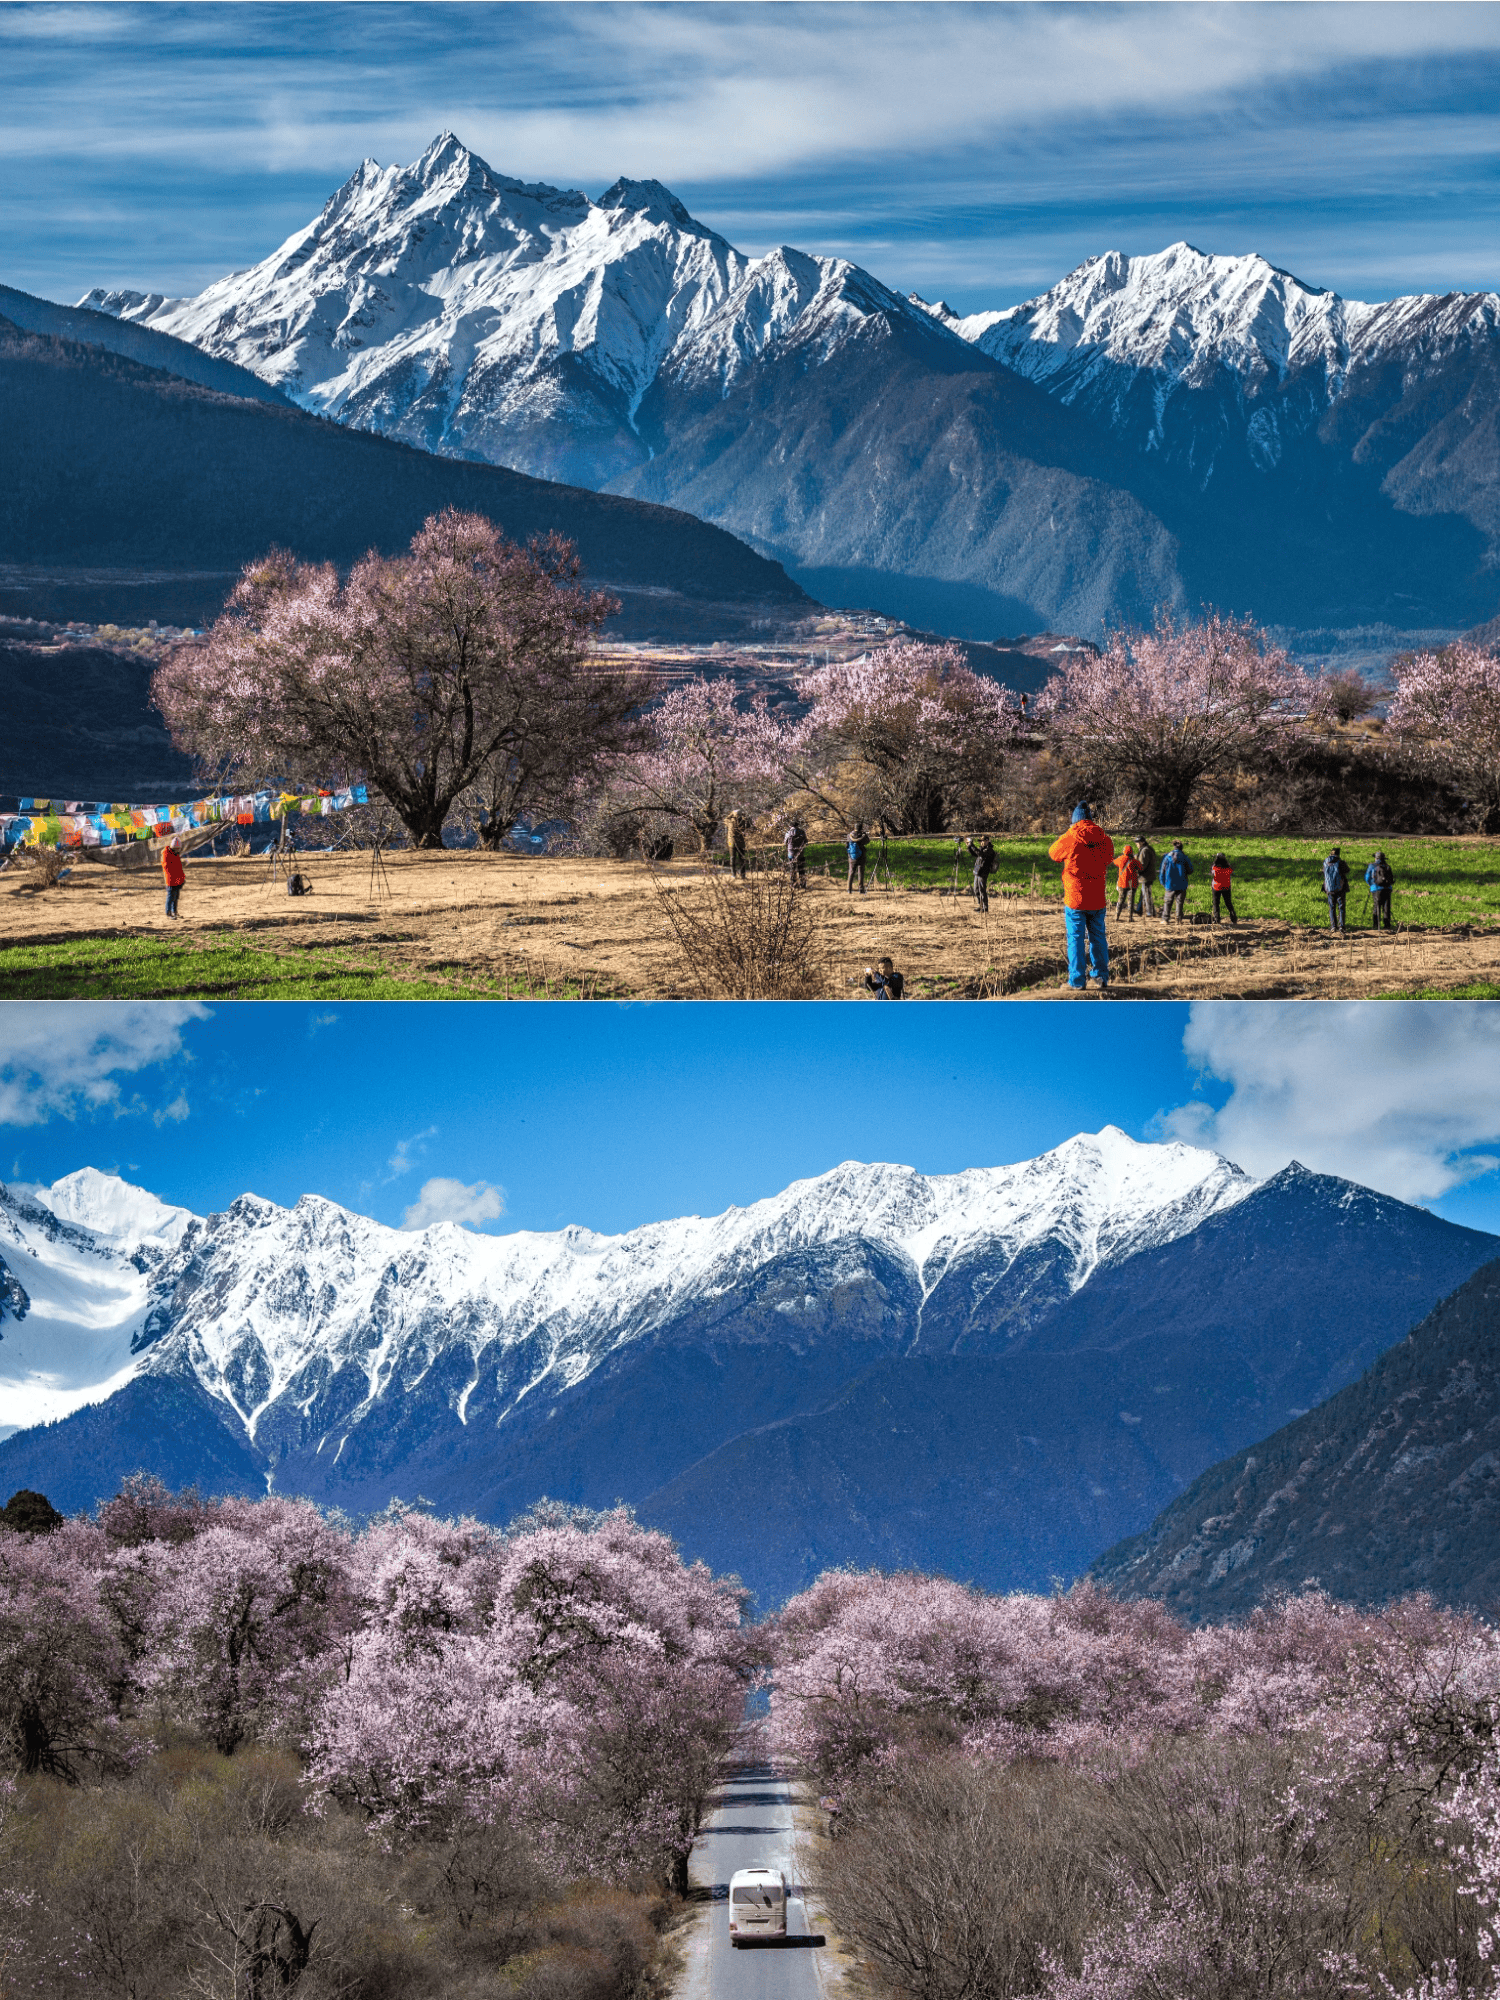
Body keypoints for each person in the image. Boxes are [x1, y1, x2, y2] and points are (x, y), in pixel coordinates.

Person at [1047, 801, 1115, 993]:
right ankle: (1101, 975)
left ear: (1074, 821)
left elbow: (1053, 852)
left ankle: (1077, 980)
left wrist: (1069, 833)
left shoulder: (1070, 838)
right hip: (1097, 898)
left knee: (1075, 938)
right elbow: (1109, 857)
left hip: (1075, 898)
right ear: (1091, 820)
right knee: (1098, 937)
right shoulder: (1104, 839)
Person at [1159, 840, 1192, 922]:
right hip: (1182, 883)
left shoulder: (1167, 857)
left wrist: (1163, 881)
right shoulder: (1184, 858)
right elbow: (1190, 870)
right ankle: (1178, 918)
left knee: (1168, 902)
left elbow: (1162, 871)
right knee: (1179, 902)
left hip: (1169, 883)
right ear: (1181, 848)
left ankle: (1166, 919)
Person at [1365, 849, 1395, 929]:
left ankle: (1376, 926)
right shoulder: (1387, 866)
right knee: (1386, 907)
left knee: (1377, 906)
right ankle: (1387, 925)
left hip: (1376, 888)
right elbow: (1391, 879)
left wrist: (1371, 884)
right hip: (1387, 888)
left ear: (1376, 858)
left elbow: (1367, 877)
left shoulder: (1372, 866)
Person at [967, 832, 997, 913]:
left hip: (983, 872)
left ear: (987, 841)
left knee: (982, 890)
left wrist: (972, 845)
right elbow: (975, 854)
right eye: (980, 841)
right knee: (976, 889)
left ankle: (985, 907)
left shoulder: (989, 850)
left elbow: (981, 855)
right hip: (977, 871)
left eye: (982, 841)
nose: (981, 842)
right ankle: (980, 906)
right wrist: (969, 847)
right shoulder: (982, 849)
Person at [1323, 846, 1349, 932]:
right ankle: (1341, 926)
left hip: (1329, 887)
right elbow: (1347, 870)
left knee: (1332, 907)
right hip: (1340, 887)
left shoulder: (1325, 862)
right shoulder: (1340, 862)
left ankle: (1333, 926)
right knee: (1341, 907)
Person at [1210, 851, 1238, 925]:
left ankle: (1217, 919)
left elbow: (1212, 872)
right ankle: (1233, 918)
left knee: (1216, 903)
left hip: (1216, 887)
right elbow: (1231, 871)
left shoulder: (1215, 868)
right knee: (1228, 903)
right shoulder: (1228, 868)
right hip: (1226, 887)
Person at [1114, 842, 1140, 920]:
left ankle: (1117, 916)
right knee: (1130, 901)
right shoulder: (1134, 861)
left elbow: (1114, 862)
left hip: (1122, 883)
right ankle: (1130, 917)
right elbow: (1140, 867)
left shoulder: (1120, 859)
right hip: (1132, 884)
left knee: (1120, 900)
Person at [161, 836, 185, 918]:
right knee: (170, 897)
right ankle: (168, 912)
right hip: (171, 880)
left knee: (176, 897)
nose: (179, 850)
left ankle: (174, 911)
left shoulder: (176, 855)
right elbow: (168, 867)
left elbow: (178, 868)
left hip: (177, 879)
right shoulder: (166, 854)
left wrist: (182, 878)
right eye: (178, 848)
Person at [1135, 834, 1158, 917]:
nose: (1136, 844)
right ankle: (1139, 909)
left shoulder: (1145, 850)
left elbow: (1142, 865)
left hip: (1146, 876)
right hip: (1148, 875)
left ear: (1142, 842)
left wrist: (1136, 871)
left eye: (1138, 842)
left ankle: (1150, 912)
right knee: (1143, 893)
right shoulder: (1148, 849)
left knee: (1147, 894)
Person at [846, 822, 869, 894]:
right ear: (861, 828)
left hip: (852, 857)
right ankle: (861, 889)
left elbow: (847, 844)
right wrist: (865, 835)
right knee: (860, 873)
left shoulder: (849, 835)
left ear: (854, 827)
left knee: (851, 872)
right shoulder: (862, 835)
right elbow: (868, 841)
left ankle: (849, 889)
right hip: (861, 856)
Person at [785, 820, 808, 887]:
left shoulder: (788, 833)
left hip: (791, 853)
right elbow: (806, 841)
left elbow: (785, 842)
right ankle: (803, 884)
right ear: (797, 825)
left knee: (792, 869)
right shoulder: (802, 832)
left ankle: (793, 884)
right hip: (800, 853)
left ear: (790, 826)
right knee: (801, 869)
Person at [726, 811, 748, 881]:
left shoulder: (729, 822)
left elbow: (725, 819)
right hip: (740, 843)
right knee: (742, 858)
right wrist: (745, 816)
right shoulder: (743, 821)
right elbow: (749, 824)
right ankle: (743, 875)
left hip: (731, 843)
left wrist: (730, 814)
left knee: (732, 858)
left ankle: (733, 874)